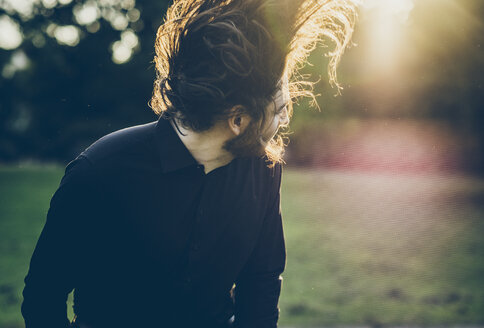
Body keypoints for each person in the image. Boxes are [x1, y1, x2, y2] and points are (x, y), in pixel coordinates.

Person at [21, 0, 357, 327]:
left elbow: (261, 280)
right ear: (238, 119)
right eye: (280, 106)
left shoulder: (264, 171)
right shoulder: (100, 172)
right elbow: (43, 296)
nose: (286, 117)